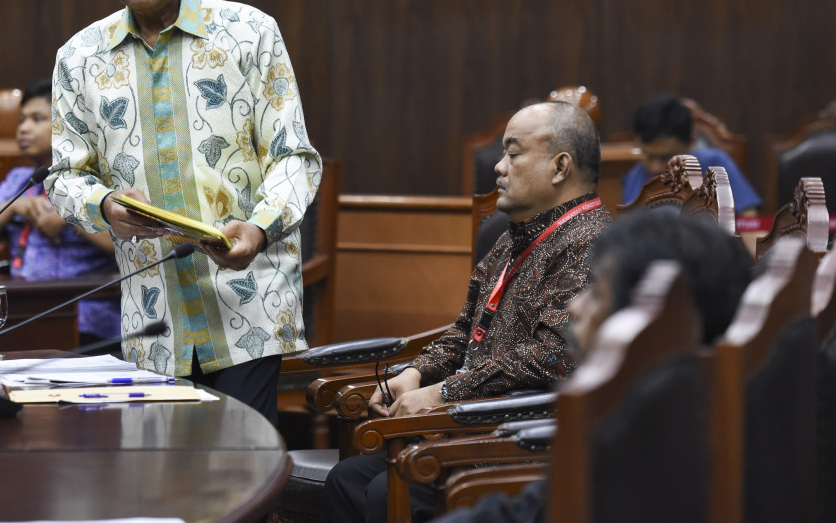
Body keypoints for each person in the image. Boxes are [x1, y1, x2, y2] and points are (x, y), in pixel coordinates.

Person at [44, 0, 321, 424]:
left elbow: (293, 157)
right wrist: (104, 208)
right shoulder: (78, 58)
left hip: (248, 300)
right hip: (152, 313)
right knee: (163, 485)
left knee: (241, 474)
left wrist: (260, 227)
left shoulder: (249, 33)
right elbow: (63, 177)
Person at [323, 101, 613, 523]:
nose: (499, 167)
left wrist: (443, 394)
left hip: (517, 436)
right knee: (346, 480)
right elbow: (465, 333)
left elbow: (554, 357)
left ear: (560, 166)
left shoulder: (592, 242)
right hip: (465, 424)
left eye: (513, 154)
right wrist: (416, 374)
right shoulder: (512, 237)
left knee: (385, 492)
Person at [431, 209, 753, 523]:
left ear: (655, 327)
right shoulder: (632, 420)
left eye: (596, 293)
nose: (575, 306)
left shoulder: (659, 467)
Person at [0, 79, 119, 347]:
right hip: (21, 315)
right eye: (21, 120)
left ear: (65, 126)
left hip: (87, 319)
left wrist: (70, 216)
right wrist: (12, 208)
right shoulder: (21, 181)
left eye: (36, 119)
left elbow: (128, 245)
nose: (23, 129)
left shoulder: (97, 180)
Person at [620, 94, 761, 214]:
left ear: (691, 142)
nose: (655, 167)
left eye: (667, 158)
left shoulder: (716, 164)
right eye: (646, 155)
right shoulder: (625, 174)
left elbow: (749, 220)